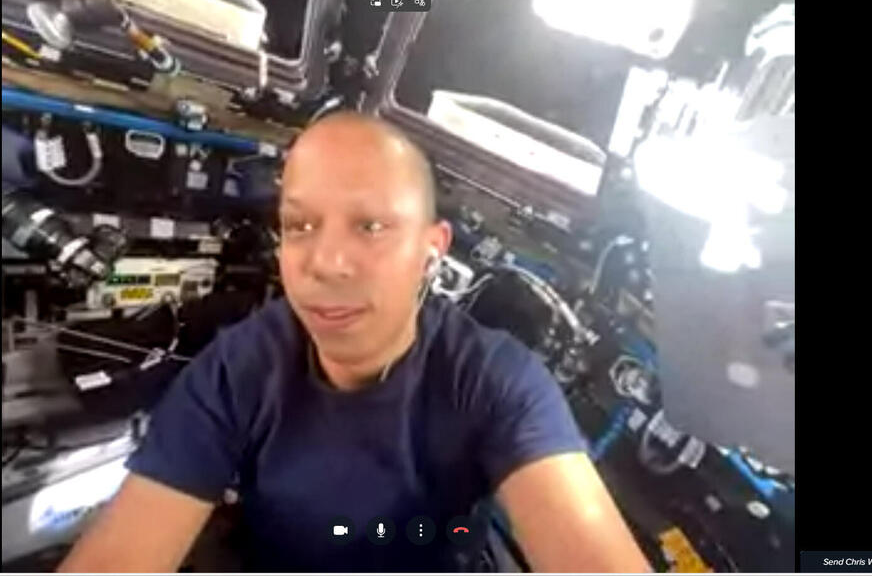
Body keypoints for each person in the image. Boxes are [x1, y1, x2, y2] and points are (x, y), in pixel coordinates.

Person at [57, 113, 651, 572]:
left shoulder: (494, 380)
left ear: (432, 251)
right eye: (300, 226)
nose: (326, 263)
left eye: (371, 226)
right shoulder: (239, 370)